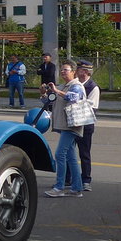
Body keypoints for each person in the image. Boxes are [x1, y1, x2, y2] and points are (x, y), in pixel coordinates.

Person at [44, 61, 86, 197]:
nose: (63, 72)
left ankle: (59, 187)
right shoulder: (63, 86)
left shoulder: (76, 86)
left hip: (71, 126)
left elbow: (73, 98)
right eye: (61, 70)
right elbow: (50, 102)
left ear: (73, 71)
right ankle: (77, 188)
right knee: (71, 157)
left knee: (60, 154)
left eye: (66, 70)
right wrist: (44, 94)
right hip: (65, 126)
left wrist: (57, 91)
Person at [75, 61, 100, 191]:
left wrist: (74, 100)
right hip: (73, 124)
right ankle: (69, 178)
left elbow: (91, 106)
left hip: (85, 124)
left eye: (79, 69)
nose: (76, 71)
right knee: (68, 152)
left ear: (85, 72)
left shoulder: (93, 87)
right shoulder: (75, 84)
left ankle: (86, 180)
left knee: (84, 153)